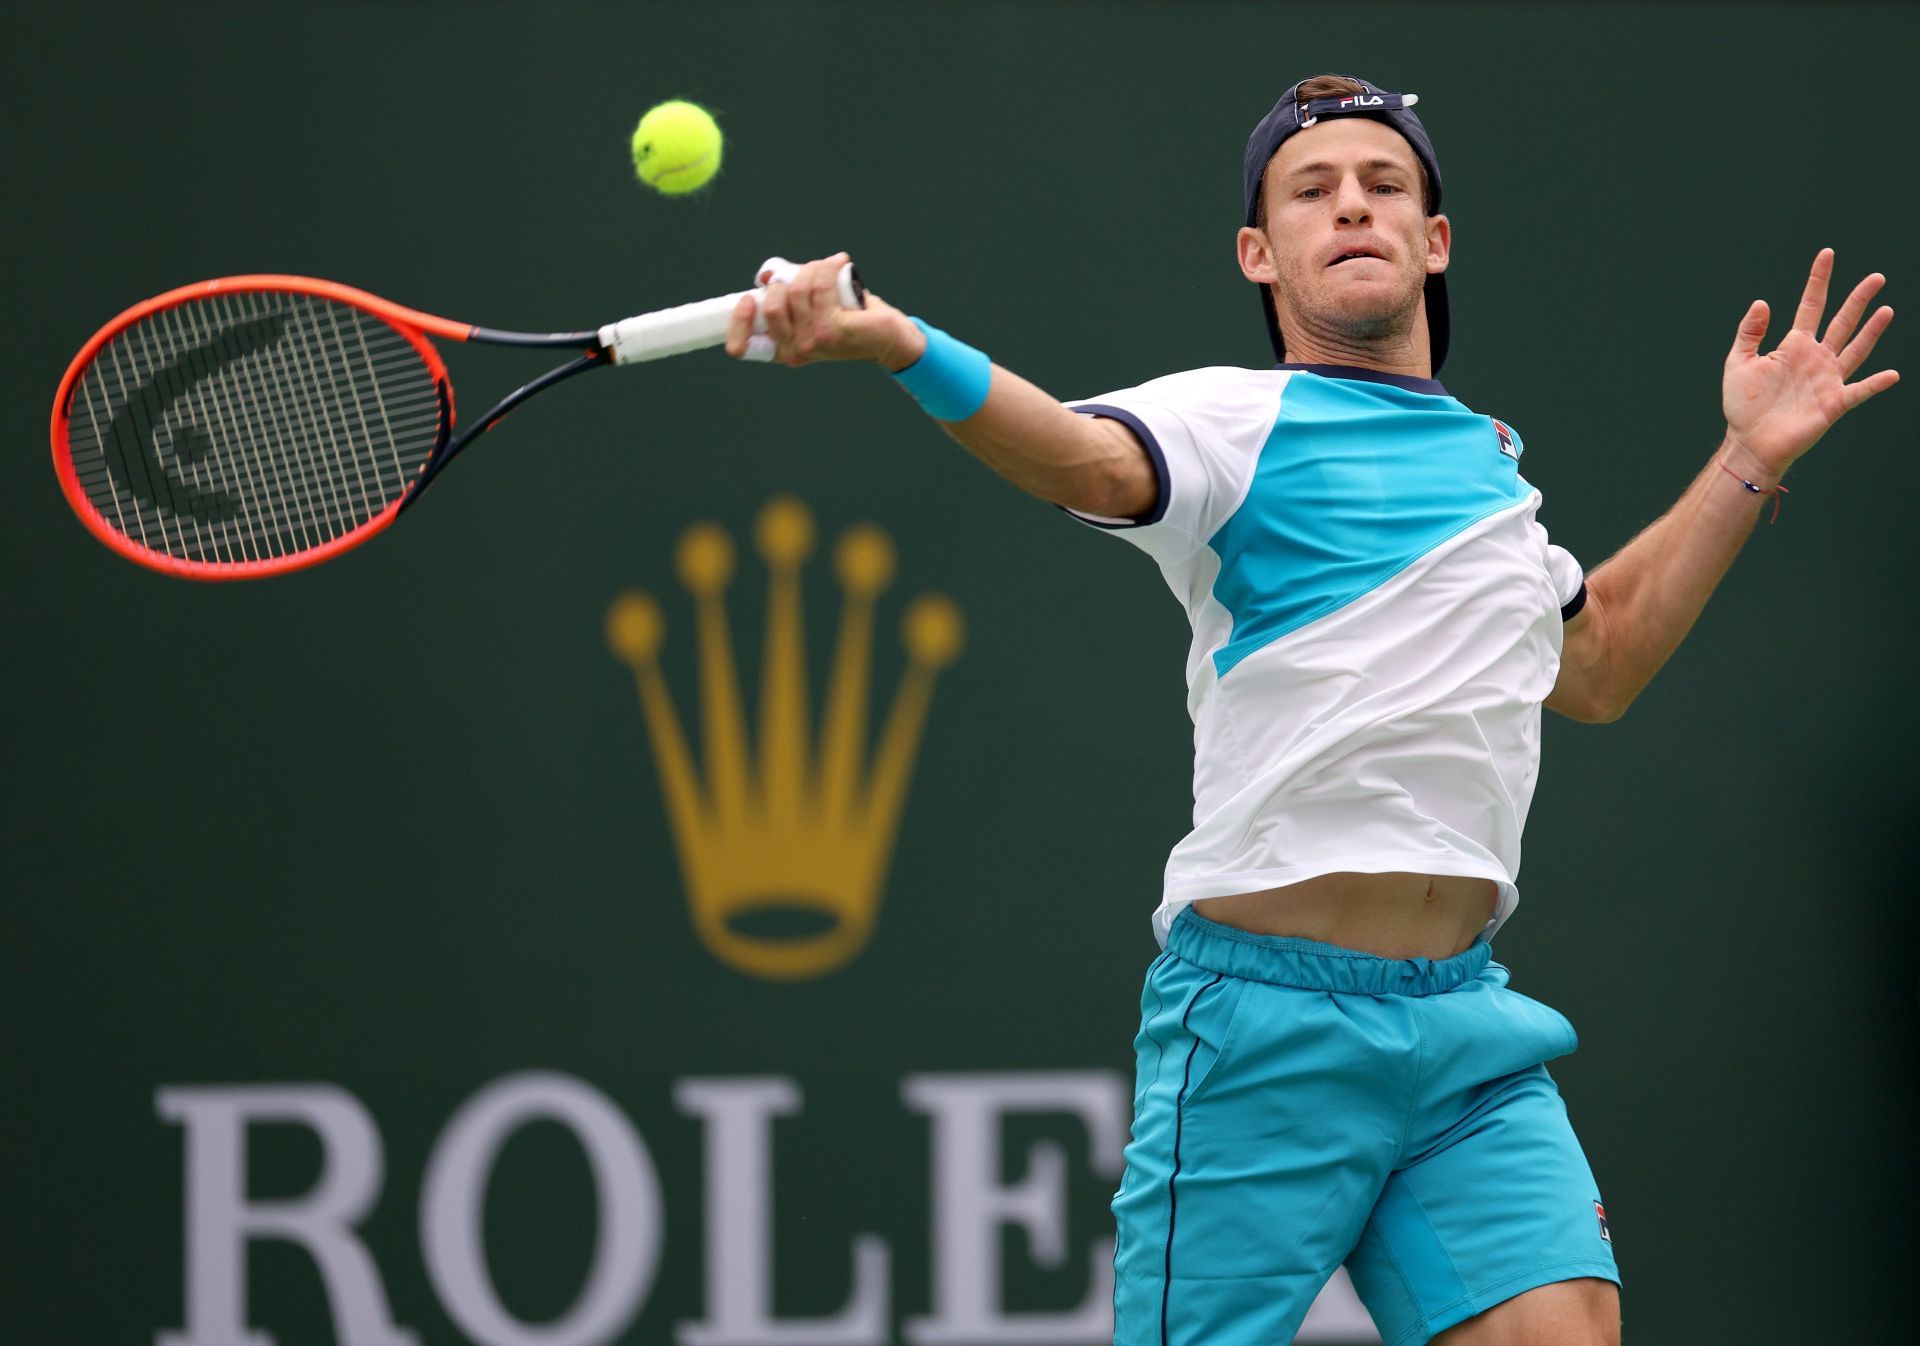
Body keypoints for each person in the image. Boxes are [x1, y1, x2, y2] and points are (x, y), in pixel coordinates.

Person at [723, 74, 1897, 1346]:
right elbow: (1080, 453)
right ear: (1259, 252)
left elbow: (1599, 659)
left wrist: (1747, 459)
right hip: (1261, 1034)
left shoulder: (1493, 476)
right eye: (1313, 189)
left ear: (1432, 242)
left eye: (1386, 186)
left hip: (1465, 1032)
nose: (1354, 206)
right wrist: (904, 345)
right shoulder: (1228, 420)